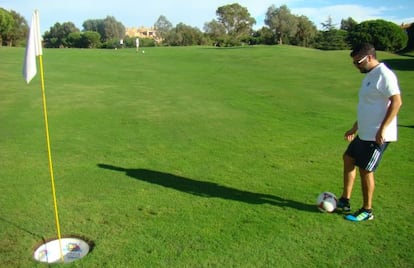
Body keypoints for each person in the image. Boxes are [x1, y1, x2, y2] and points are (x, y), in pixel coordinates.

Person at [336, 43, 402, 222]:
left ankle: (367, 210)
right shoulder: (369, 76)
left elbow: (396, 102)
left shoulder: (385, 75)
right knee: (348, 158)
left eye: (358, 62)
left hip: (377, 135)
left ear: (370, 58)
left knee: (366, 170)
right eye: (354, 63)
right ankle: (345, 200)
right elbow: (369, 106)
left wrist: (383, 129)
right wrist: (355, 127)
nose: (356, 66)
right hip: (364, 132)